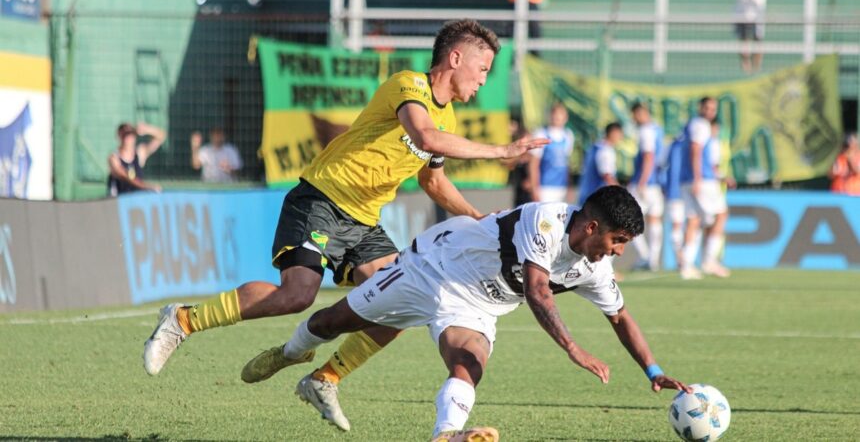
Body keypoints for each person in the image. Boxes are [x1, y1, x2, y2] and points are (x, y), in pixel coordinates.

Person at [142, 19, 548, 432]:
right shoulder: (408, 86)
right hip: (321, 199)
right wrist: (500, 150)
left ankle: (325, 378)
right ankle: (183, 320)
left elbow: (432, 180)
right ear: (455, 57)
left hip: (365, 222)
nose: (484, 79)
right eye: (482, 68)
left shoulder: (450, 121)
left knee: (401, 300)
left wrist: (477, 219)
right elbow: (423, 137)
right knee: (298, 295)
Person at [244, 185, 690, 441]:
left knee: (469, 363)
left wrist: (653, 369)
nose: (616, 252)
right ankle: (291, 354)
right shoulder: (547, 223)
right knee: (331, 322)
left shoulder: (594, 265)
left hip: (480, 306)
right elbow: (537, 291)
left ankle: (447, 435)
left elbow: (620, 316)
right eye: (617, 241)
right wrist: (574, 348)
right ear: (592, 227)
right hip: (435, 271)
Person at [678, 97, 719, 280]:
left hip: (689, 179)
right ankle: (709, 261)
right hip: (701, 180)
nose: (710, 111)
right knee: (720, 215)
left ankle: (687, 265)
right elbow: (696, 150)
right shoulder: (701, 125)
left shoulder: (693, 124)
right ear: (700, 107)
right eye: (707, 107)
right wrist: (698, 178)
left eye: (713, 108)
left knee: (694, 219)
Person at [628, 102, 665, 272]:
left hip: (644, 183)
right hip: (656, 183)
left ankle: (645, 256)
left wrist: (642, 181)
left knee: (628, 220)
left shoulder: (645, 130)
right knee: (654, 219)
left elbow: (649, 157)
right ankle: (653, 259)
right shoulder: (658, 129)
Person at [698, 120, 733, 278]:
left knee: (706, 222)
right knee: (721, 216)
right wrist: (723, 177)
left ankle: (706, 260)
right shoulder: (711, 142)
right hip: (708, 183)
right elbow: (713, 166)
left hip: (700, 183)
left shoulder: (697, 142)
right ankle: (709, 261)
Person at [529, 102, 575, 203]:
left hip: (561, 188)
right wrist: (534, 189)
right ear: (550, 115)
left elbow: (567, 164)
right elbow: (534, 165)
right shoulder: (541, 133)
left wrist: (569, 186)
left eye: (561, 114)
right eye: (555, 113)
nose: (558, 117)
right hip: (545, 188)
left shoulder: (568, 135)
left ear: (566, 117)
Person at [107, 122, 165, 196]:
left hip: (136, 201)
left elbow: (161, 136)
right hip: (118, 201)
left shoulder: (140, 153)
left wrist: (147, 129)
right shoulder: (114, 158)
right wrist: (146, 187)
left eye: (131, 134)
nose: (128, 138)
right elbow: (125, 176)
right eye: (125, 135)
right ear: (119, 136)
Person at [577, 122, 622, 206]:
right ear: (613, 133)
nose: (621, 137)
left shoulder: (594, 147)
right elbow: (607, 175)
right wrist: (621, 193)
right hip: (596, 199)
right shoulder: (606, 150)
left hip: (586, 194)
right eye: (620, 134)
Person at [662, 134, 686, 272]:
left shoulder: (672, 145)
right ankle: (681, 260)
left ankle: (684, 260)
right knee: (679, 225)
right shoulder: (674, 145)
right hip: (679, 191)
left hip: (679, 191)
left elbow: (661, 165)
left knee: (692, 225)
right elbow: (662, 166)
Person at [735, 0, 766, 73]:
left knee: (758, 39)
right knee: (744, 40)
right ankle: (746, 69)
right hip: (742, 11)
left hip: (757, 10)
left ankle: (757, 68)